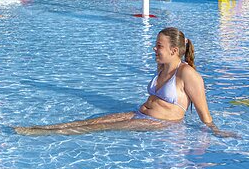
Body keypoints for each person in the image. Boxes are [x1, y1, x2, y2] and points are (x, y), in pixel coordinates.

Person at [14, 27, 236, 137]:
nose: (154, 48)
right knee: (91, 122)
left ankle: (38, 133)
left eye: (159, 45)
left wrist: (215, 131)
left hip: (159, 124)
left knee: (97, 129)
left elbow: (203, 113)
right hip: (138, 114)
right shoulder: (162, 67)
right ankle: (39, 128)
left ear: (174, 50)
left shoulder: (188, 75)